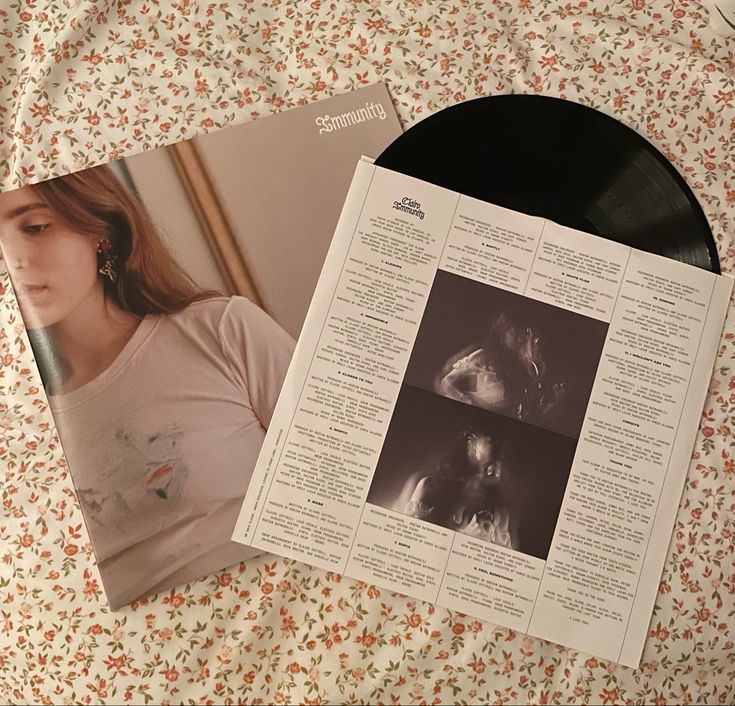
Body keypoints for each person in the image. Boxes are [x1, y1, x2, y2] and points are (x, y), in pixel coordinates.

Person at [0, 165, 295, 609]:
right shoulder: (18, 429)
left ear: (102, 232)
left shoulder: (222, 331)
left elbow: (347, 481)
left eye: (36, 227)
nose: (12, 260)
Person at [434, 311, 564, 425]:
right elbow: (447, 382)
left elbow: (528, 411)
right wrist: (468, 403)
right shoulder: (483, 355)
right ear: (502, 334)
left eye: (522, 335)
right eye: (513, 333)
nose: (519, 339)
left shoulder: (520, 368)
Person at [403, 429, 515, 549]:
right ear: (468, 447)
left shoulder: (498, 515)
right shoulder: (429, 489)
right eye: (475, 462)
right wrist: (467, 535)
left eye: (491, 470)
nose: (478, 476)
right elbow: (409, 547)